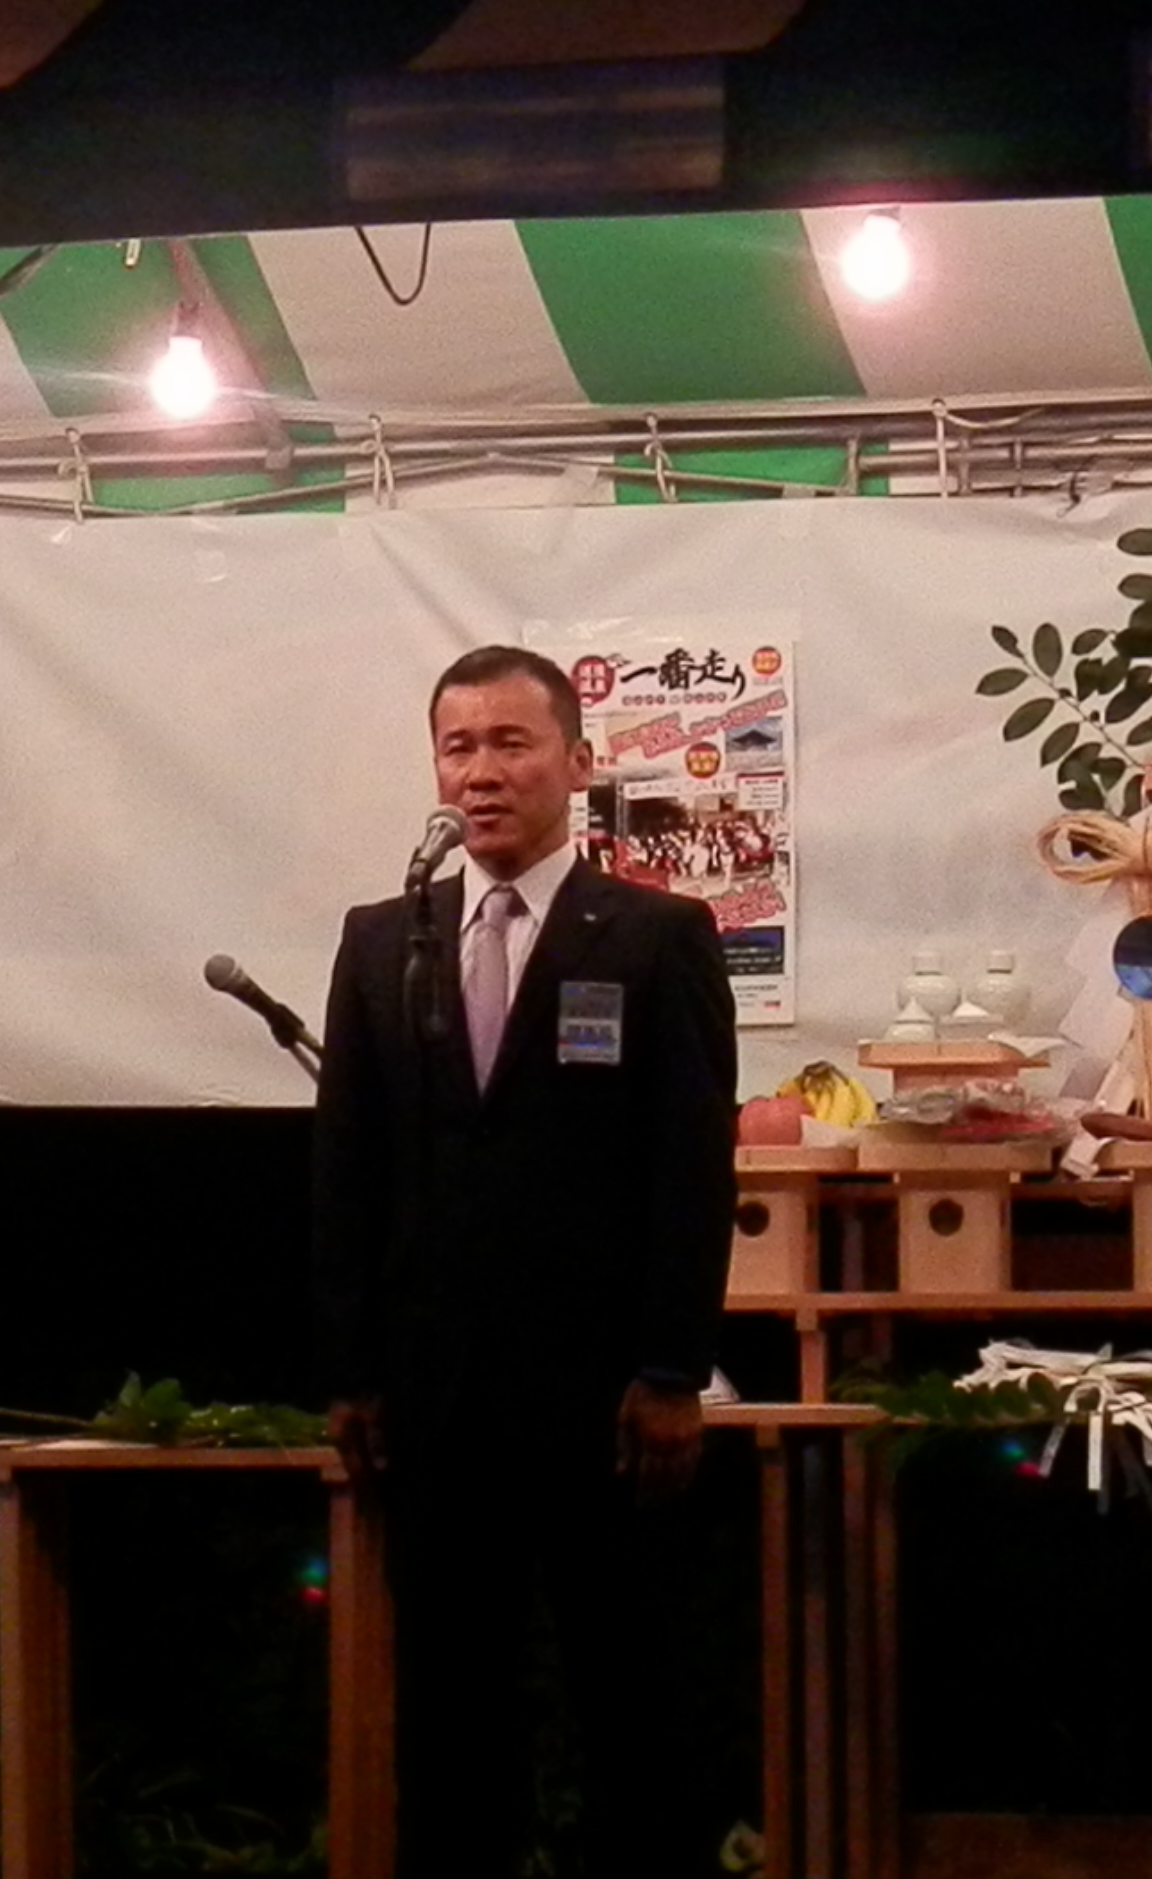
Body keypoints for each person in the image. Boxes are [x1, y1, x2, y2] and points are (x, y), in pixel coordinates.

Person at [311, 645, 739, 1879]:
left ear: (577, 762)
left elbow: (687, 1168)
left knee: (629, 1695)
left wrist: (671, 1368)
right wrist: (351, 1368)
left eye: (511, 743)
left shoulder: (656, 936)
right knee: (449, 1707)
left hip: (603, 1395)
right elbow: (348, 1163)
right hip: (435, 1392)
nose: (482, 772)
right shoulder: (384, 939)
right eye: (459, 747)